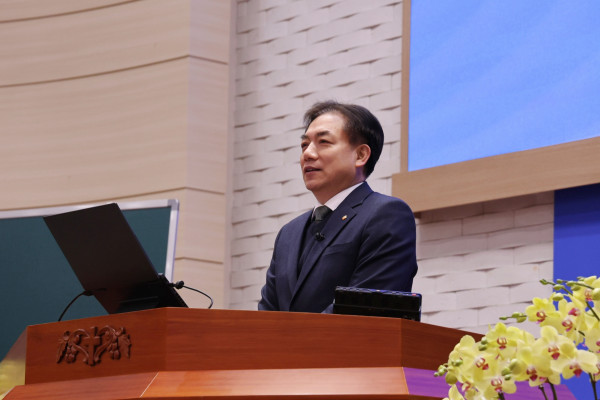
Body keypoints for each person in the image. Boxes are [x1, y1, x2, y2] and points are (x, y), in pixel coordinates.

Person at [258, 100, 418, 313]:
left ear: (360, 155)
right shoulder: (289, 233)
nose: (308, 154)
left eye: (323, 142)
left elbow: (362, 309)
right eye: (304, 145)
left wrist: (289, 334)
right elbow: (267, 315)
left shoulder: (386, 215)